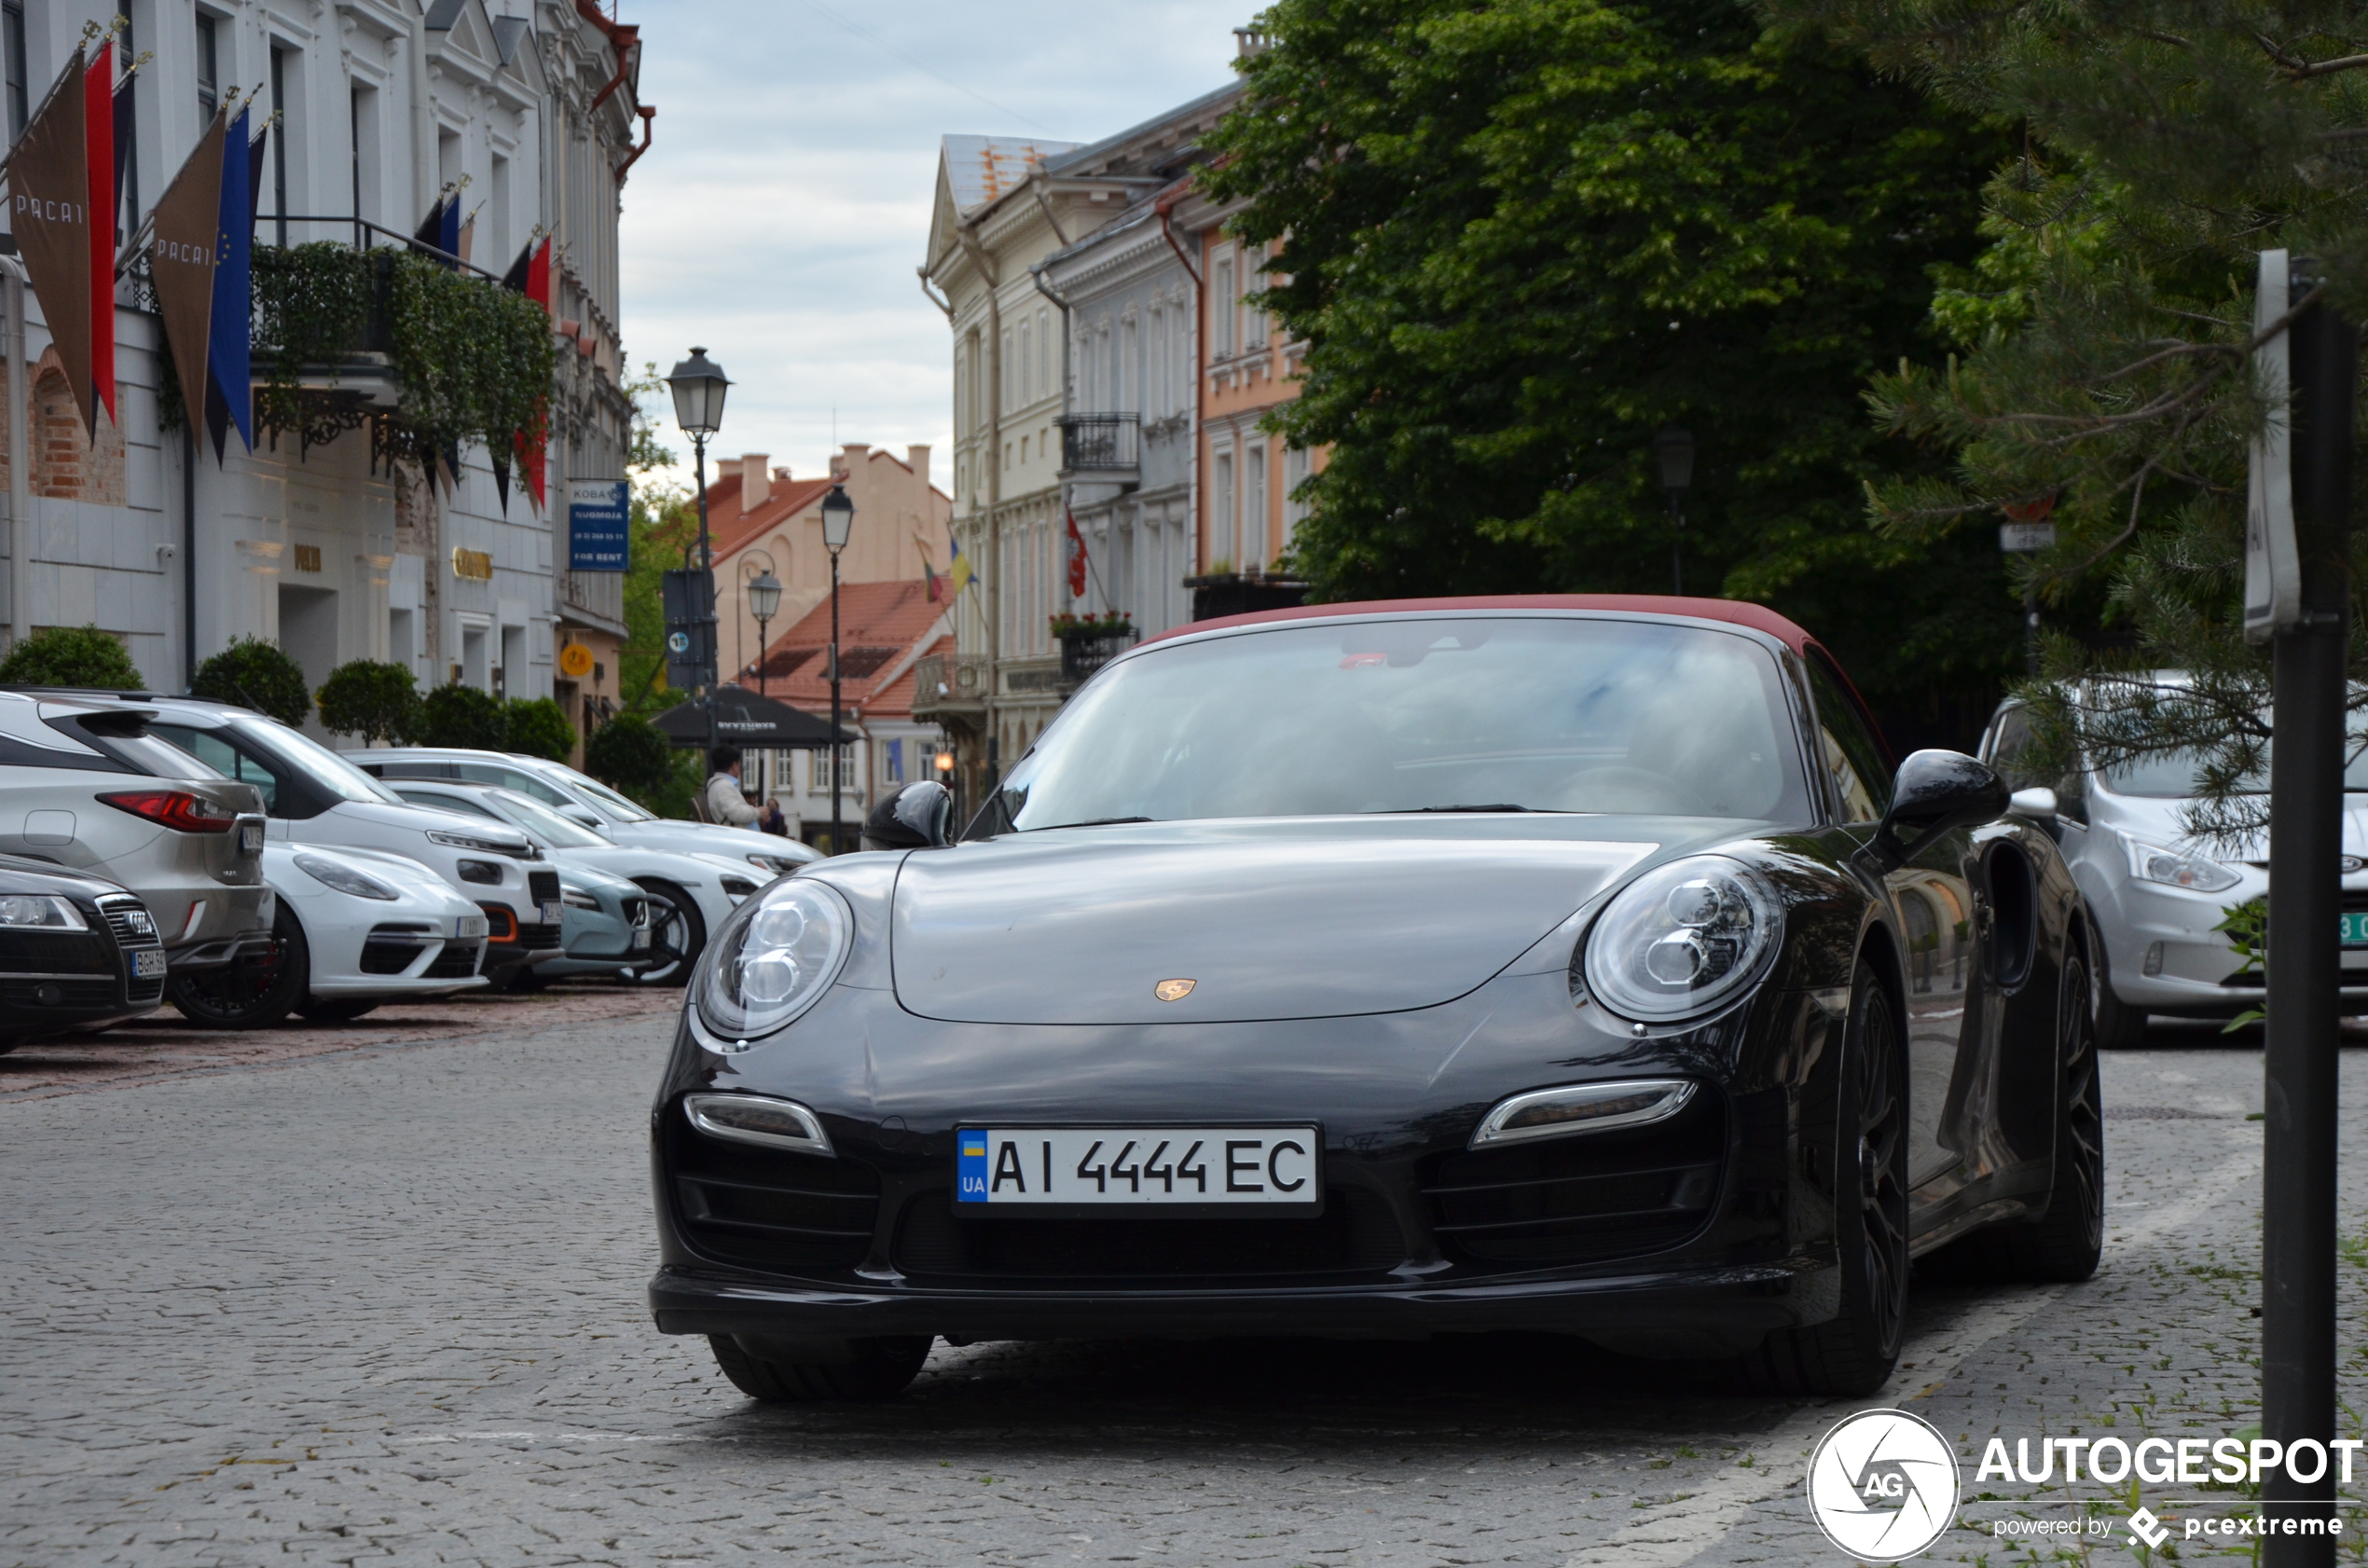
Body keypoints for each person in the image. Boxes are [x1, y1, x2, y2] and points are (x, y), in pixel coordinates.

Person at [703, 746, 762, 827]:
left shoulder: (719, 785)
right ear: (734, 765)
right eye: (739, 763)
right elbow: (735, 812)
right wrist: (758, 812)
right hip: (737, 837)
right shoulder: (723, 786)